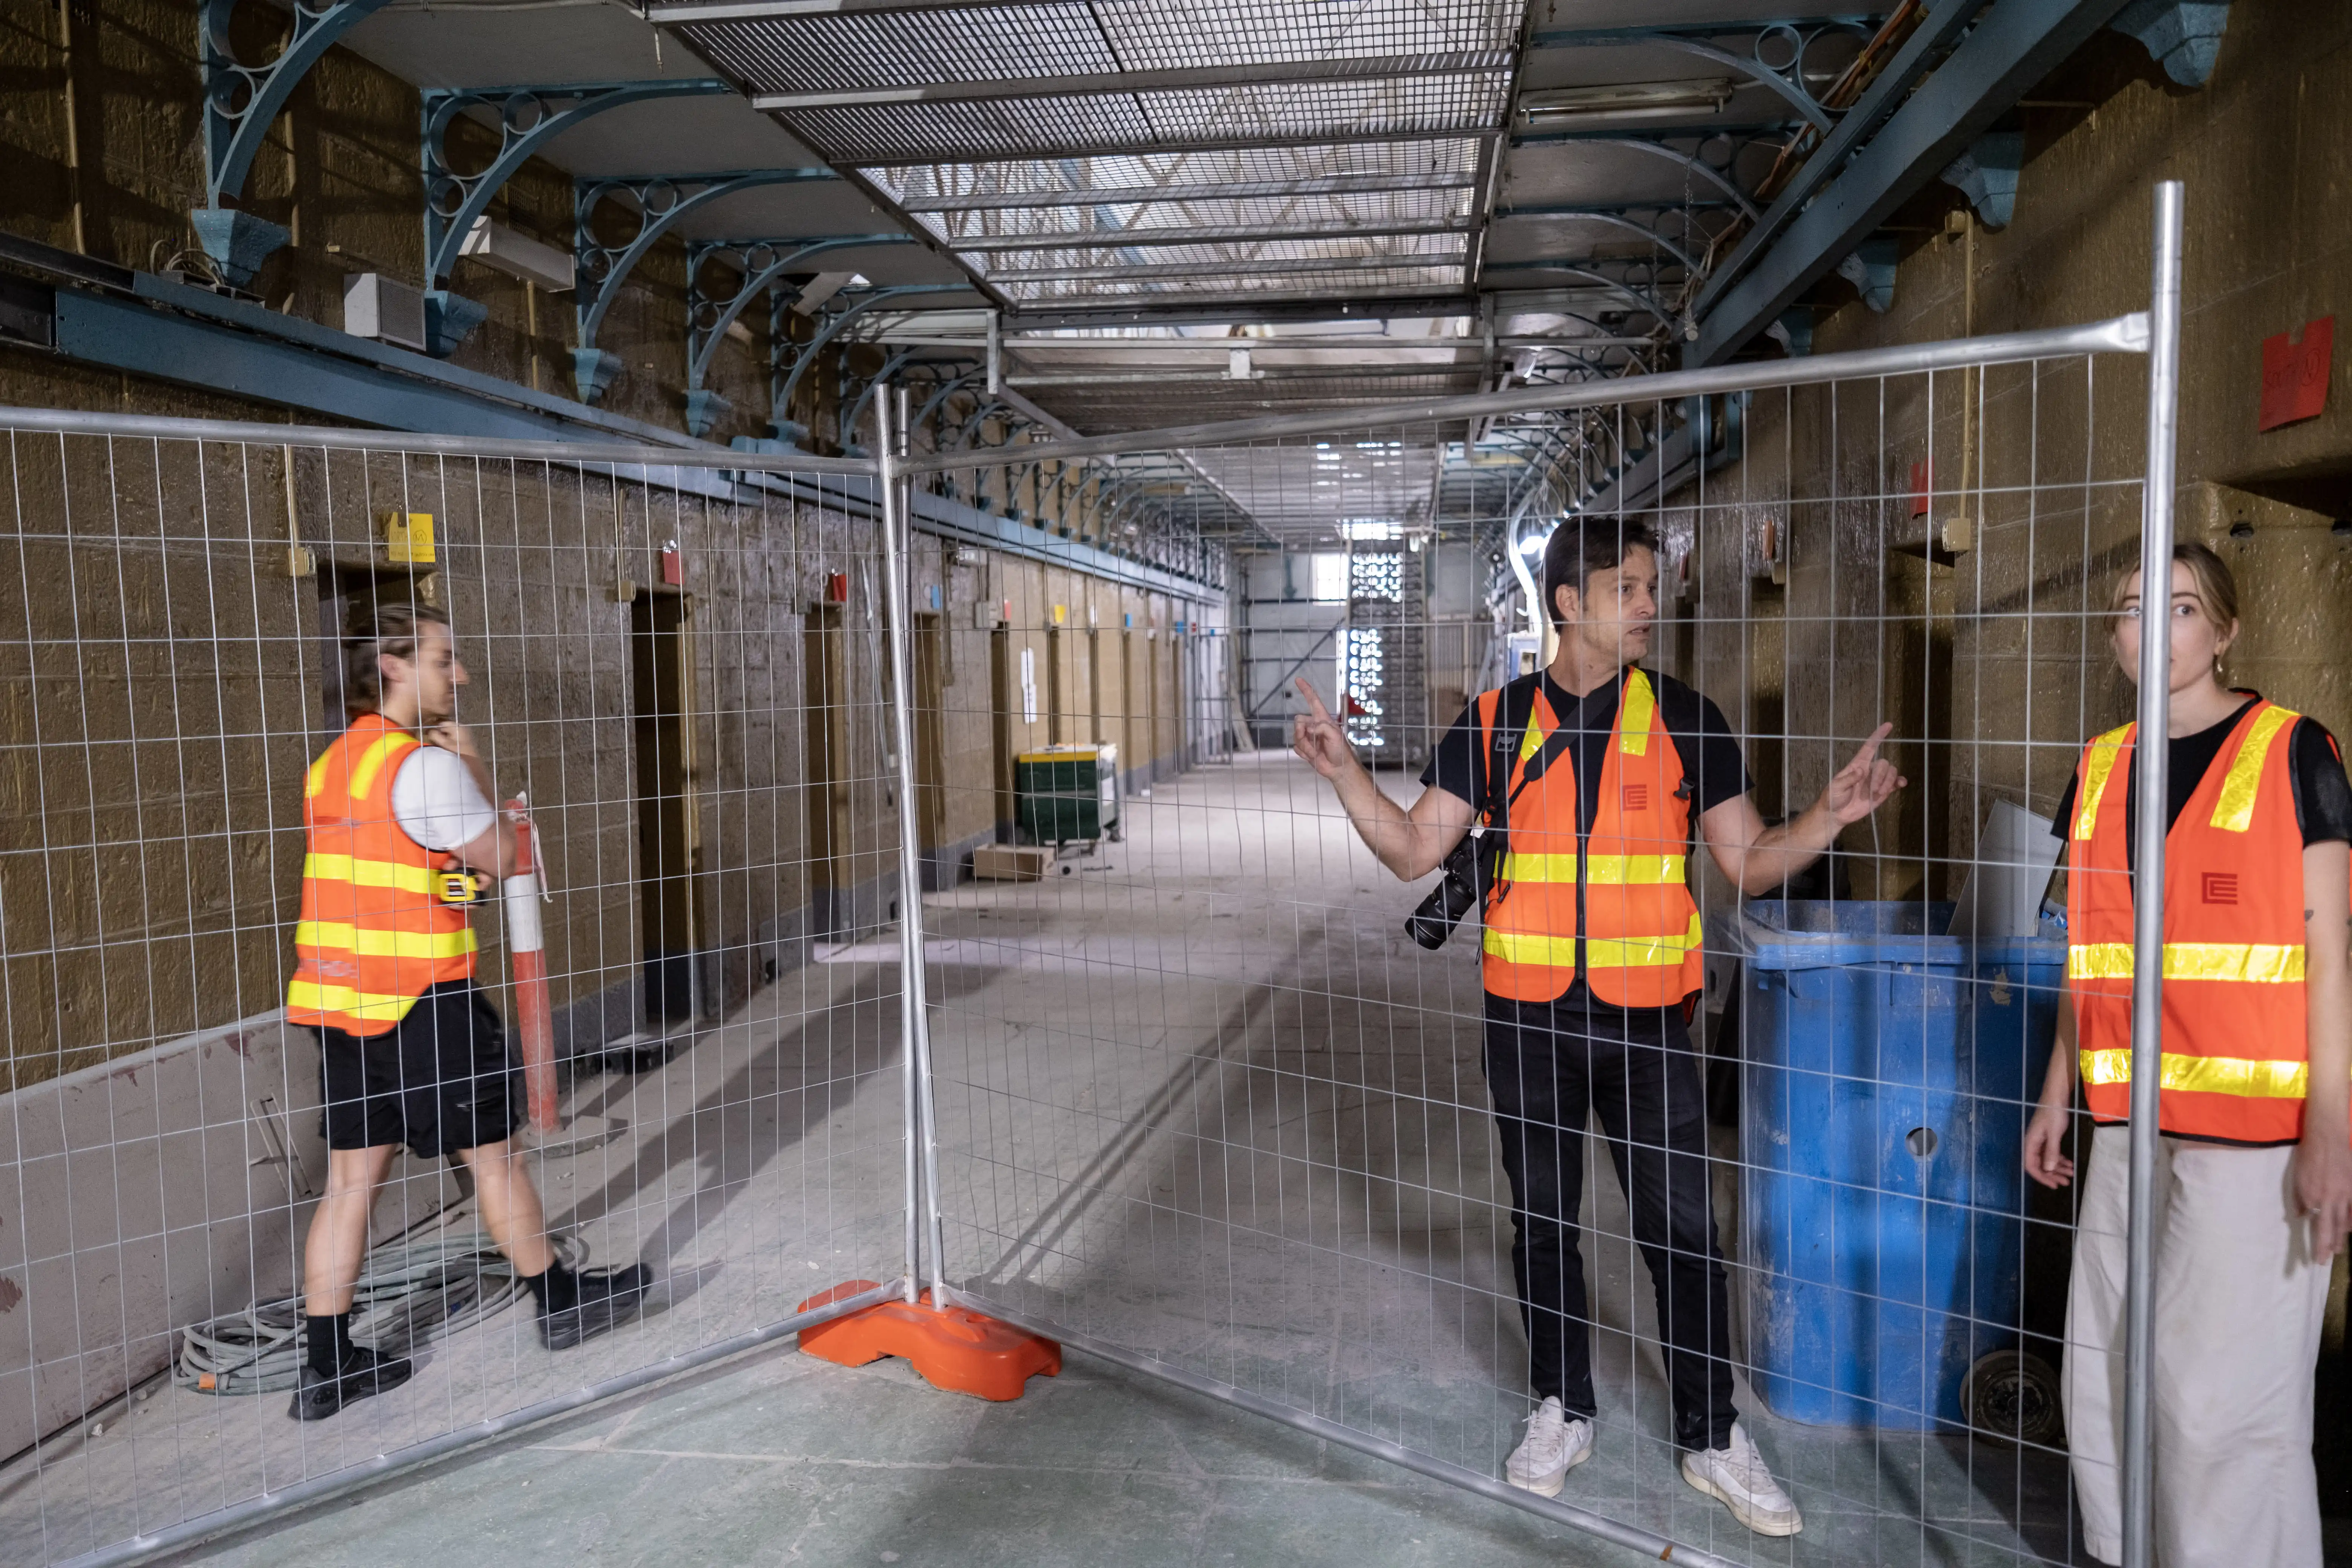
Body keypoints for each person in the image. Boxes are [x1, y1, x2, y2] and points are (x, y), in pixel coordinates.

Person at [1291, 516, 1902, 1536]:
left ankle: (1713, 1435)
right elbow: (1410, 852)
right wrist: (1348, 774)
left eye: (1652, 587)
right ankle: (1563, 1407)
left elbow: (1747, 862)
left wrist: (1830, 817)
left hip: (1652, 1027)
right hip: (1527, 1022)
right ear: (1569, 604)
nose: (1650, 607)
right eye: (1629, 589)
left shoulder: (1687, 720)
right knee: (1544, 1225)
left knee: (1685, 1234)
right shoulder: (1491, 725)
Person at [2024, 543, 2352, 1566]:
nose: (2150, 628)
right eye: (2131, 609)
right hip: (2125, 1131)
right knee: (2107, 1379)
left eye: (2178, 607)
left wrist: (2333, 1128)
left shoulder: (2297, 752)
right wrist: (2055, 1099)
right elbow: (2092, 952)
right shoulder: (2099, 766)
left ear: (2226, 629)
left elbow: (2331, 954)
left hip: (2252, 1140)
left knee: (2220, 1412)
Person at [285, 601, 654, 1421]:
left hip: (341, 1001)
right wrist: (477, 767)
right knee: (495, 1157)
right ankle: (560, 1302)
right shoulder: (426, 767)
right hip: (423, 1002)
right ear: (392, 664)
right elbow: (509, 856)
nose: (461, 674)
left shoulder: (333, 766)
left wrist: (453, 884)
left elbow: (410, 874)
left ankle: (325, 1367)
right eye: (445, 659)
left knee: (349, 1185)